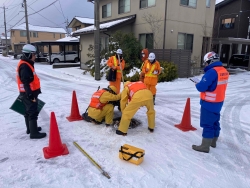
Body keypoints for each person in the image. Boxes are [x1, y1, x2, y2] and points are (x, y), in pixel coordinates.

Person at [192, 51, 229, 153]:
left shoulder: (212, 72)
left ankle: (205, 146)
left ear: (210, 61)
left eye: (206, 62)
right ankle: (213, 142)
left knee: (207, 124)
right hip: (218, 102)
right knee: (215, 122)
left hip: (209, 103)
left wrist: (197, 84)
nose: (206, 65)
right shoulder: (223, 71)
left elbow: (202, 87)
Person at [16, 44, 47, 139]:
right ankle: (34, 133)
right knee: (32, 112)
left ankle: (30, 129)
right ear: (28, 55)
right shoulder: (25, 66)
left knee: (27, 112)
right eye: (34, 54)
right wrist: (30, 94)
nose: (35, 56)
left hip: (26, 92)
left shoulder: (25, 63)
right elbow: (26, 82)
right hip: (29, 93)